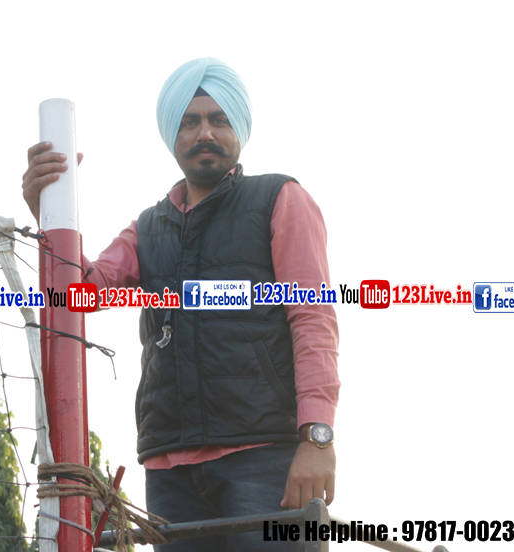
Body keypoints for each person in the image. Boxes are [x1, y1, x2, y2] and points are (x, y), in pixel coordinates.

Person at [22, 58, 339, 551]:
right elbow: (80, 294)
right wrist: (47, 206)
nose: (204, 133)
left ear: (238, 128)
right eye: (190, 122)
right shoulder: (149, 227)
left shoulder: (279, 198)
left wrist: (317, 439)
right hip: (170, 469)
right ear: (173, 134)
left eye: (218, 119)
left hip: (264, 457)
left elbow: (313, 319)